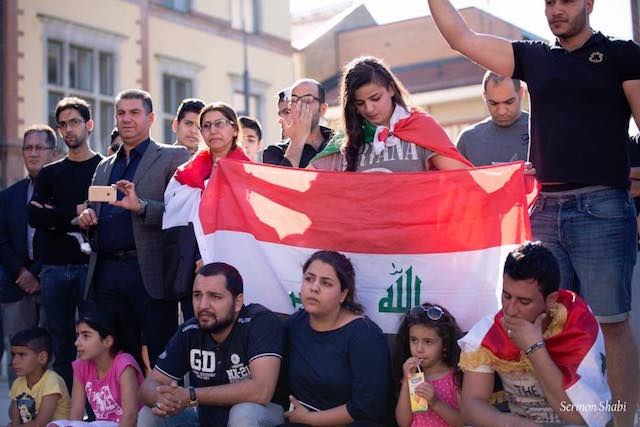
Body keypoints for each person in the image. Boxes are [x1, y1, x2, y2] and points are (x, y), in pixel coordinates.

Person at [427, 1, 640, 423]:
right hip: (544, 209)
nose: (556, 9)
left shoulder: (621, 54)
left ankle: (621, 419)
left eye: (566, 0)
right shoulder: (534, 58)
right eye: (548, 1)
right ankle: (564, 418)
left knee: (611, 324)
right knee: (541, 320)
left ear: (589, 3)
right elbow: (461, 38)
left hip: (603, 207)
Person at [78, 89, 190, 370]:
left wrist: (141, 206)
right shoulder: (104, 167)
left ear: (150, 118)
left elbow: (181, 213)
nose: (126, 119)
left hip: (150, 272)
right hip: (106, 274)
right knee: (117, 358)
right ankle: (125, 401)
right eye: (121, 113)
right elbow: (95, 208)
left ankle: (162, 401)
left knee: (162, 356)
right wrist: (87, 218)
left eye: (134, 113)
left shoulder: (173, 157)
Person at [458, 241, 612, 426]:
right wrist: (515, 424)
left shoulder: (578, 325)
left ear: (551, 300)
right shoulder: (489, 332)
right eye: (506, 296)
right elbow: (471, 406)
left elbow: (580, 417)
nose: (511, 310)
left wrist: (535, 348)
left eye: (524, 301)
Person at [137, 262, 285, 427]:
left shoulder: (259, 323)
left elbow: (261, 391)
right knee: (150, 413)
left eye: (215, 297)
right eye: (197, 295)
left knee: (243, 413)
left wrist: (191, 395)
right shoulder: (190, 331)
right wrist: (164, 400)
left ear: (238, 302)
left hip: (263, 416)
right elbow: (148, 386)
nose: (203, 305)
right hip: (205, 421)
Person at [28, 97, 103, 392]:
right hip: (54, 269)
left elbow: (102, 217)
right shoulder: (50, 173)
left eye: (74, 122)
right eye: (63, 124)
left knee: (94, 343)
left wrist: (55, 216)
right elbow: (35, 217)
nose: (69, 129)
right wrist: (76, 212)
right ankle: (65, 409)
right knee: (61, 346)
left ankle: (93, 409)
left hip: (90, 268)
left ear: (89, 125)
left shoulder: (103, 168)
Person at [162, 102, 249, 321]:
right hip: (191, 264)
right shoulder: (185, 173)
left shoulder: (248, 173)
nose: (213, 130)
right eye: (207, 126)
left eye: (219, 123)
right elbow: (174, 214)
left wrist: (213, 255)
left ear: (234, 129)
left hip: (232, 264)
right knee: (195, 325)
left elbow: (248, 225)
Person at [282, 251, 390, 426]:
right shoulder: (295, 324)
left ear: (343, 294)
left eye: (326, 283)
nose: (314, 288)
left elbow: (367, 407)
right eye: (309, 279)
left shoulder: (365, 336)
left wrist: (310, 419)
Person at [310, 56, 471, 172]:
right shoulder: (344, 140)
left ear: (391, 89)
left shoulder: (421, 125)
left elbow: (463, 178)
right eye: (360, 103)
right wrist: (298, 140)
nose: (369, 108)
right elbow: (304, 183)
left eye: (375, 98)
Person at [0, 125, 55, 384]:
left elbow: (62, 235)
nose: (33, 153)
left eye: (39, 148)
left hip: (51, 282)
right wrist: (22, 273)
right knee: (19, 355)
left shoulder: (62, 192)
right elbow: (2, 241)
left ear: (53, 152)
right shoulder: (9, 196)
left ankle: (51, 408)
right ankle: (20, 406)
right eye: (28, 148)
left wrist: (35, 274)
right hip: (16, 286)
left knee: (51, 353)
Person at [50, 311, 145, 427]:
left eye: (86, 336)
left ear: (107, 341)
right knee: (55, 425)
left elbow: (131, 417)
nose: (77, 343)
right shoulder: (81, 366)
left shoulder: (124, 363)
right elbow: (76, 416)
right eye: (78, 335)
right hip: (100, 425)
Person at [393, 303, 463, 427]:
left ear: (445, 344)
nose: (419, 349)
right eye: (414, 340)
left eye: (428, 342)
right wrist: (406, 382)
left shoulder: (455, 378)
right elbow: (403, 423)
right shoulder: (412, 376)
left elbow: (464, 422)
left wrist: (436, 403)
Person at [456, 71, 529, 166]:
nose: (501, 111)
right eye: (494, 103)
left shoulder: (540, 131)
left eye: (509, 102)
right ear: (484, 96)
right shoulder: (468, 140)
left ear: (521, 93)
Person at [263, 79, 334, 168]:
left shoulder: (339, 144)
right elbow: (282, 177)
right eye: (294, 100)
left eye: (307, 100)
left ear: (322, 109)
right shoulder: (275, 152)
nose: (299, 106)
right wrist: (298, 140)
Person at [8, 327, 71, 426]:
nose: (14, 361)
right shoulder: (18, 383)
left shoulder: (52, 381)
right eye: (13, 355)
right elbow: (15, 421)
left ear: (42, 358)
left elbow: (40, 424)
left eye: (21, 355)